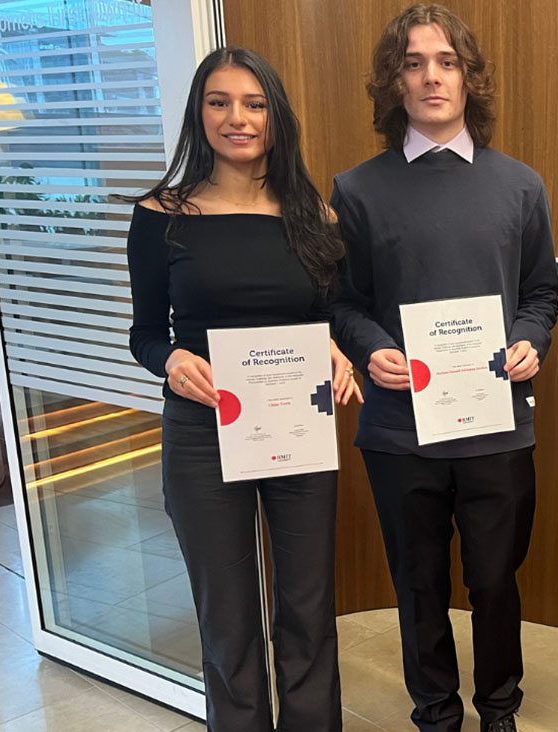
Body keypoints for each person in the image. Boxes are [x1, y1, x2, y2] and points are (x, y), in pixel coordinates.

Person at [328, 5, 558, 732]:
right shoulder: (356, 191)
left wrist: (531, 339)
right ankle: (436, 713)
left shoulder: (521, 186)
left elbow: (542, 293)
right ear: (393, 81)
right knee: (418, 583)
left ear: (469, 78)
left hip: (496, 429)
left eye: (447, 61)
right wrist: (370, 348)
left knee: (495, 582)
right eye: (414, 62)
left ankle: (498, 711)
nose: (431, 75)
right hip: (402, 432)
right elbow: (342, 301)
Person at [125, 47, 361, 731]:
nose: (238, 118)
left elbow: (328, 319)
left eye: (254, 103)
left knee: (308, 610)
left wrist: (336, 352)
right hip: (202, 434)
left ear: (275, 116)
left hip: (296, 426)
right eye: (220, 102)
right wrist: (169, 360)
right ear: (199, 114)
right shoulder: (160, 214)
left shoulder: (314, 213)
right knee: (227, 619)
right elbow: (144, 333)